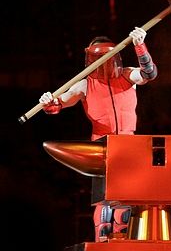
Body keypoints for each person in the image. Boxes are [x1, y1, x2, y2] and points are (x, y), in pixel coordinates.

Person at [39, 27, 158, 242]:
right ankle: (101, 243)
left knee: (125, 201)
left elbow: (149, 74)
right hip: (101, 146)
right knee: (104, 203)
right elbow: (59, 104)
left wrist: (140, 45)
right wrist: (49, 102)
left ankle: (122, 243)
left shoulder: (127, 75)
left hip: (129, 144)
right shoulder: (84, 83)